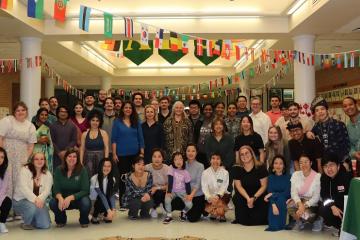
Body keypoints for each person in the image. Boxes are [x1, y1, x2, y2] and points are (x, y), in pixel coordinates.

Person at [0, 102, 37, 204]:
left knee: (19, 181)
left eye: (23, 110)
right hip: (6, 155)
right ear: (14, 112)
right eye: (18, 110)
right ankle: (6, 209)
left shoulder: (30, 126)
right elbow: (1, 138)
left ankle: (17, 208)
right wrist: (2, 156)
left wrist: (25, 158)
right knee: (6, 181)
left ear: (27, 112)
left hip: (21, 157)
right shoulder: (7, 121)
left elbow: (31, 145)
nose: (20, 112)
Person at [111, 101, 145, 206]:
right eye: (126, 107)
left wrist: (142, 153)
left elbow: (140, 137)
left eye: (130, 108)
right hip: (121, 155)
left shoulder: (136, 121)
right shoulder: (117, 122)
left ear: (132, 110)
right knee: (123, 179)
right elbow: (114, 139)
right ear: (122, 109)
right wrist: (114, 154)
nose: (128, 109)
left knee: (135, 178)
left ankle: (134, 200)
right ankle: (123, 202)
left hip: (135, 155)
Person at [49, 148, 91, 228]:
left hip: (78, 199)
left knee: (86, 202)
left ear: (77, 159)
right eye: (69, 156)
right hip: (63, 201)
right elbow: (55, 189)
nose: (72, 159)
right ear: (65, 158)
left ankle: (84, 220)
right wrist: (60, 198)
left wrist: (70, 197)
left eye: (74, 157)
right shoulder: (58, 170)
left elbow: (85, 190)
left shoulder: (82, 170)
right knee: (53, 203)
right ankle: (61, 220)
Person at [13, 152, 52, 230]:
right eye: (36, 159)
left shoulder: (47, 174)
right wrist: (36, 199)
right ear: (32, 161)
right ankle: (26, 223)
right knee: (32, 207)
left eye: (42, 159)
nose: (39, 161)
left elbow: (47, 190)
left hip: (37, 202)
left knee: (45, 225)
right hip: (21, 200)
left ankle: (33, 218)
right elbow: (24, 188)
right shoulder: (25, 170)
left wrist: (39, 199)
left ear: (45, 161)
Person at [309, 97, 350, 169]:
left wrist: (344, 161)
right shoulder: (317, 126)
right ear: (315, 113)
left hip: (340, 162)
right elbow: (311, 133)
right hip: (325, 164)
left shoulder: (339, 124)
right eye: (317, 110)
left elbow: (346, 145)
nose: (320, 112)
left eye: (322, 109)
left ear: (327, 110)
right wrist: (308, 133)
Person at [232, 145, 268, 225]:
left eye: (247, 153)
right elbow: (239, 186)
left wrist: (254, 198)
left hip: (258, 195)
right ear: (240, 157)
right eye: (242, 154)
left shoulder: (261, 167)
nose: (245, 156)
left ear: (252, 154)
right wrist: (248, 199)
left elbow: (264, 186)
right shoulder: (236, 168)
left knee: (259, 219)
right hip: (244, 196)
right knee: (243, 220)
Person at [319, 153, 352, 237]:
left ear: (338, 166)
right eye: (325, 166)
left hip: (347, 210)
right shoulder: (323, 178)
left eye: (331, 165)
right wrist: (332, 206)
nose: (329, 169)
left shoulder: (346, 178)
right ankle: (338, 226)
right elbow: (324, 195)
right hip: (335, 208)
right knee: (322, 208)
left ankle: (344, 227)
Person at [287, 154, 322, 232]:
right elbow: (293, 193)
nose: (303, 165)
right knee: (289, 206)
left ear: (311, 163)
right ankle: (300, 221)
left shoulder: (317, 176)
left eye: (306, 162)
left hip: (312, 203)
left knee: (309, 216)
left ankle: (317, 219)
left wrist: (304, 206)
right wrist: (300, 205)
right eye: (301, 162)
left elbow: (316, 197)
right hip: (300, 201)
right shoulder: (295, 174)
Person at [175, 144, 205, 222]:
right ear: (185, 152)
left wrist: (191, 195)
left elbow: (198, 183)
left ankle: (195, 210)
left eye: (193, 151)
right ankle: (185, 210)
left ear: (196, 153)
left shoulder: (200, 166)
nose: (190, 153)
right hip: (185, 195)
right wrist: (185, 195)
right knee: (174, 201)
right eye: (188, 151)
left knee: (192, 218)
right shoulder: (182, 164)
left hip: (197, 195)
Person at [204, 118, 235, 188]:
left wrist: (224, 166)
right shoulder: (208, 138)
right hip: (213, 168)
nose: (218, 126)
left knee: (226, 189)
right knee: (213, 188)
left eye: (220, 124)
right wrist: (215, 165)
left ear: (224, 126)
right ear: (213, 126)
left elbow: (231, 153)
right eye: (216, 124)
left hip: (227, 169)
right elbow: (208, 153)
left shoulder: (229, 138)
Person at [163, 152, 192, 224]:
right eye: (176, 159)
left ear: (183, 161)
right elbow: (170, 180)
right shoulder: (171, 168)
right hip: (172, 191)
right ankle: (169, 216)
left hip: (182, 192)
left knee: (190, 204)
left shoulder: (186, 172)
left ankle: (183, 212)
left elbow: (188, 185)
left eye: (180, 159)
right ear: (173, 161)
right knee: (167, 200)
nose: (178, 161)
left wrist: (188, 194)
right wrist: (169, 192)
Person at [264, 155, 291, 231]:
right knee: (275, 201)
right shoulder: (270, 178)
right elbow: (269, 192)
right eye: (276, 163)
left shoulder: (289, 177)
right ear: (272, 165)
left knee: (281, 199)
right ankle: (274, 225)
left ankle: (281, 224)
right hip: (273, 201)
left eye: (280, 163)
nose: (278, 165)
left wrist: (273, 194)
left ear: (284, 166)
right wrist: (273, 204)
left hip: (285, 200)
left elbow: (287, 193)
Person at [80, 110, 109, 177]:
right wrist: (81, 162)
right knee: (88, 177)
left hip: (100, 159)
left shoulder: (103, 133)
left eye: (97, 121)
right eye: (93, 120)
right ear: (89, 121)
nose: (95, 122)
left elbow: (106, 148)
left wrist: (106, 161)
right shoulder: (84, 134)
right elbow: (82, 149)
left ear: (100, 122)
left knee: (100, 177)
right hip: (88, 160)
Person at [201, 152, 230, 222]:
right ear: (210, 160)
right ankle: (215, 211)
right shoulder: (205, 172)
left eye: (218, 159)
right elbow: (204, 187)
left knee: (220, 209)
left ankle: (220, 213)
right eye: (213, 158)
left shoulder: (225, 173)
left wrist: (217, 196)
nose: (215, 161)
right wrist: (209, 197)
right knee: (215, 207)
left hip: (222, 197)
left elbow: (224, 187)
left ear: (221, 161)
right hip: (210, 198)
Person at [90, 158, 118, 224]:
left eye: (109, 166)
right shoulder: (95, 178)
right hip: (93, 203)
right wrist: (109, 210)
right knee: (101, 200)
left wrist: (113, 210)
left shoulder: (112, 179)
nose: (106, 168)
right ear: (100, 166)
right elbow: (101, 195)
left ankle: (106, 215)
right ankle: (94, 216)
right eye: (104, 166)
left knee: (109, 197)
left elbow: (112, 195)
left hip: (103, 200)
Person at [145, 148, 169, 218]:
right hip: (150, 191)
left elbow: (170, 185)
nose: (157, 159)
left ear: (162, 158)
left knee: (159, 193)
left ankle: (160, 205)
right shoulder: (147, 168)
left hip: (164, 192)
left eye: (159, 156)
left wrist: (157, 188)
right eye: (154, 156)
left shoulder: (167, 169)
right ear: (151, 158)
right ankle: (153, 208)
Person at [32, 108, 54, 173]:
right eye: (42, 114)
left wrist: (48, 141)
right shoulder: (31, 126)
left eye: (46, 115)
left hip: (43, 154)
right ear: (38, 115)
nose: (44, 116)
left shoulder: (47, 128)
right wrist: (38, 140)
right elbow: (26, 139)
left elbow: (50, 144)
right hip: (32, 153)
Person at [343, 97, 360, 166]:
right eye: (345, 106)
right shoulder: (347, 127)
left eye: (350, 104)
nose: (348, 107)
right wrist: (354, 153)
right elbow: (350, 145)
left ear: (356, 104)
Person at [197, 103, 213, 169]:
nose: (208, 111)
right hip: (201, 153)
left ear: (213, 110)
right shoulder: (199, 121)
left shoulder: (216, 121)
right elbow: (195, 136)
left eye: (210, 109)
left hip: (212, 152)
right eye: (206, 109)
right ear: (203, 111)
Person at [0, 147, 12, 233]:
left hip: (0, 196)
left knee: (7, 201)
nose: (0, 159)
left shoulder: (5, 172)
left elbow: (3, 190)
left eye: (2, 157)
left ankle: (1, 223)